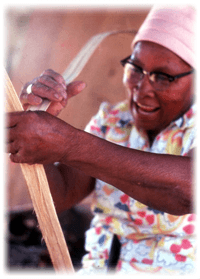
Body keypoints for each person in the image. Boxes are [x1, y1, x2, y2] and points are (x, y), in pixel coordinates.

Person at [6, 5, 196, 275]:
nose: (142, 89)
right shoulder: (112, 121)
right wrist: (39, 134)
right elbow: (60, 196)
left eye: (164, 77)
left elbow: (187, 192)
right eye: (135, 68)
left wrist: (69, 144)